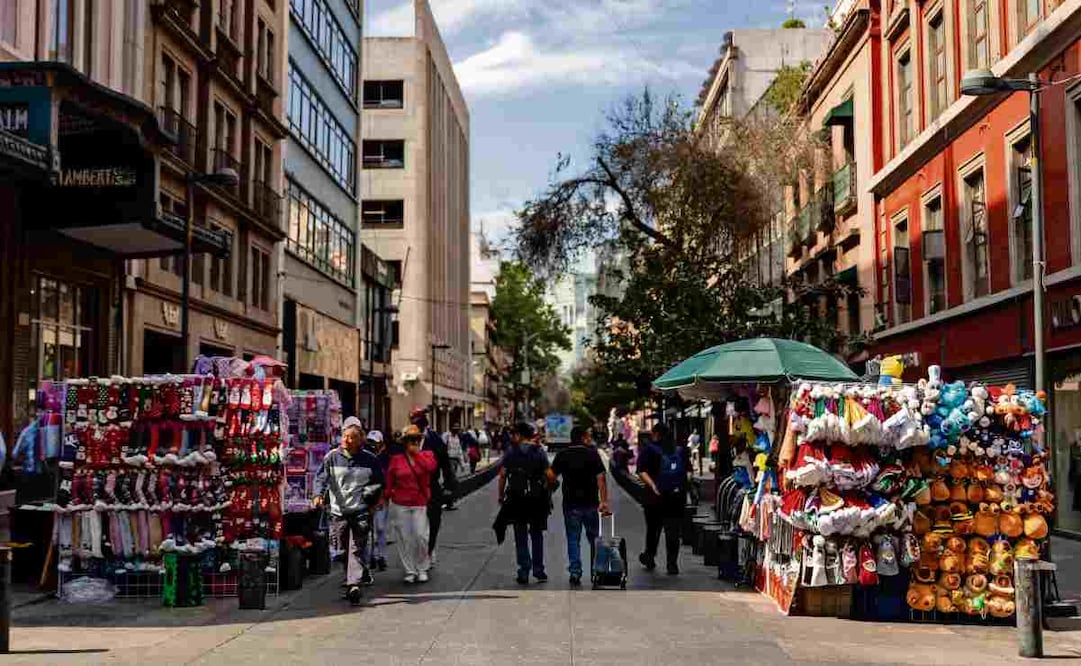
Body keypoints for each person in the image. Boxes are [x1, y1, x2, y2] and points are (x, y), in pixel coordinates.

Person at [313, 417, 384, 604]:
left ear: (359, 440)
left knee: (356, 548)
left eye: (350, 437)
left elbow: (379, 482)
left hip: (361, 510)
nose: (345, 440)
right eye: (344, 436)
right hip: (338, 512)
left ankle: (354, 584)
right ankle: (353, 576)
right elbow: (321, 478)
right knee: (341, 550)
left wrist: (374, 503)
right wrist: (317, 495)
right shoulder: (332, 457)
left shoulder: (370, 459)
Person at [549, 426, 609, 586]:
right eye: (588, 436)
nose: (590, 439)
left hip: (571, 504)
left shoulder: (563, 455)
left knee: (573, 539)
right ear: (583, 438)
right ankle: (599, 571)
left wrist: (554, 485)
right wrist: (604, 501)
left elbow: (550, 475)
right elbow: (601, 478)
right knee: (595, 538)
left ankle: (575, 572)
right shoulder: (592, 454)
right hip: (591, 503)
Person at [498, 422, 551, 585]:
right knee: (536, 534)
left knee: (520, 535)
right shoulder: (539, 451)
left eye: (514, 434)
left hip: (516, 498)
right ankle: (539, 570)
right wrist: (547, 493)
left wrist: (501, 496)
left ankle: (523, 571)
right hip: (536, 499)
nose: (512, 437)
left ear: (519, 435)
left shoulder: (511, 452)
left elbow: (502, 475)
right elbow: (549, 475)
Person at [384, 425, 438, 583]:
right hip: (400, 503)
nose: (414, 442)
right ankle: (410, 570)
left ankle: (422, 567)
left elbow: (431, 468)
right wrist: (384, 498)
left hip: (419, 502)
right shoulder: (396, 460)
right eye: (411, 440)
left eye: (417, 439)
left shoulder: (427, 455)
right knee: (404, 538)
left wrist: (417, 455)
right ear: (405, 442)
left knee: (421, 536)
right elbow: (389, 481)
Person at [636, 423, 691, 575]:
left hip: (655, 498)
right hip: (676, 497)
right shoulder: (680, 450)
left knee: (653, 529)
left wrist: (653, 485)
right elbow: (688, 473)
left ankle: (650, 557)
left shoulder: (649, 449)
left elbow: (641, 471)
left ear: (655, 434)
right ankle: (672, 564)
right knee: (673, 530)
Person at [410, 407, 457, 563]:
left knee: (433, 521)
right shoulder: (407, 438)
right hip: (412, 487)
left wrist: (449, 486)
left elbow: (445, 464)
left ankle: (429, 551)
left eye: (418, 423)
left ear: (424, 423)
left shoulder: (436, 440)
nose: (415, 426)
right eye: (413, 422)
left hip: (432, 485)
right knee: (415, 526)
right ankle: (420, 553)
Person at [367, 430, 390, 572]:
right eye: (370, 442)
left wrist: (383, 497)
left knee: (380, 528)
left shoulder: (385, 458)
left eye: (374, 443)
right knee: (369, 529)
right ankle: (372, 557)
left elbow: (387, 479)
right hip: (367, 498)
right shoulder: (366, 457)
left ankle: (382, 556)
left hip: (381, 497)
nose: (372, 445)